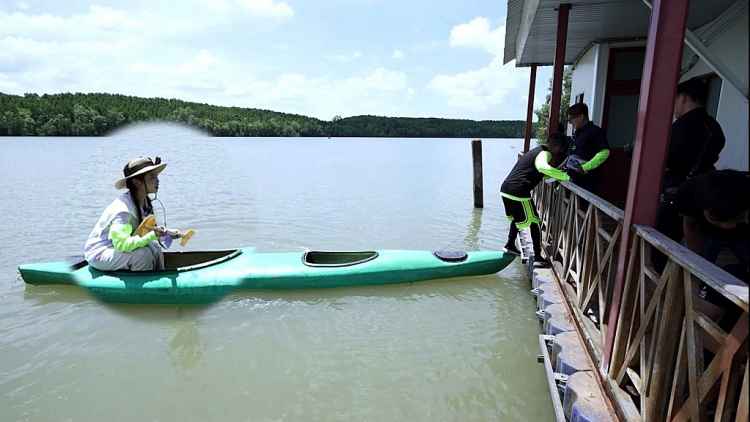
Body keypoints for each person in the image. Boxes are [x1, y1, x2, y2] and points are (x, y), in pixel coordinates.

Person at [657, 76, 726, 243]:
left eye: (675, 99)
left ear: (684, 97)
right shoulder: (713, 126)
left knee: (664, 247)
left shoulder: (679, 127)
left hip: (675, 195)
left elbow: (666, 160)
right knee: (699, 246)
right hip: (705, 193)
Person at [83, 157, 180, 271]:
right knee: (142, 255)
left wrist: (166, 233)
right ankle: (143, 285)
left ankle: (159, 279)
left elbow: (144, 232)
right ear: (137, 182)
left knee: (155, 248)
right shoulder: (123, 211)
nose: (157, 181)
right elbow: (121, 244)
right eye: (152, 177)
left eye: (156, 176)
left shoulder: (143, 202)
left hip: (116, 250)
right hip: (99, 253)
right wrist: (153, 235)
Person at [501, 133, 570, 266]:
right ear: (556, 147)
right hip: (518, 191)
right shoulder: (545, 153)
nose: (559, 154)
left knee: (517, 217)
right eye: (560, 150)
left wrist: (555, 176)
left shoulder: (534, 152)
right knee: (535, 222)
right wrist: (565, 176)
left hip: (506, 189)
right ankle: (537, 257)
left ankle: (509, 244)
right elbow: (542, 167)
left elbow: (541, 174)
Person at [675, 170, 749, 282]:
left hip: (743, 234)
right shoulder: (688, 193)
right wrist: (694, 259)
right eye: (719, 220)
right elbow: (691, 226)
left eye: (739, 219)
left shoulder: (745, 190)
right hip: (707, 232)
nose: (730, 226)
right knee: (699, 269)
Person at [565, 103, 610, 194]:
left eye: (571, 119)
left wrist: (585, 167)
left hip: (587, 184)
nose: (570, 123)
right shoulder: (577, 133)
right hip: (574, 181)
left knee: (583, 207)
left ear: (581, 116)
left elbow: (605, 152)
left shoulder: (595, 131)